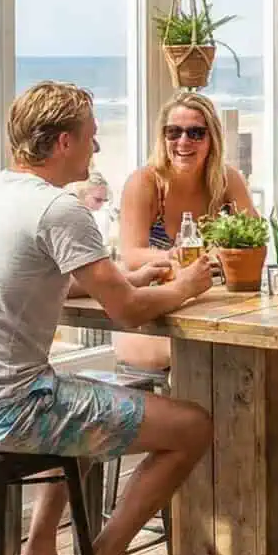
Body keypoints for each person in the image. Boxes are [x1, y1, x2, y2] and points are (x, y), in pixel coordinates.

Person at [0, 81, 214, 555]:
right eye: (90, 137)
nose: (95, 148)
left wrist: (127, 273)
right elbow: (125, 311)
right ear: (62, 142)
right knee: (193, 426)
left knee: (89, 395)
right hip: (3, 412)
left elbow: (53, 276)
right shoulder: (58, 208)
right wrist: (186, 286)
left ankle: (38, 552)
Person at [114, 92, 258, 372]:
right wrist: (176, 256)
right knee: (207, 359)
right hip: (150, 314)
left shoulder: (227, 180)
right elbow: (131, 255)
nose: (183, 142)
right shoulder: (145, 182)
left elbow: (253, 239)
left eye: (195, 133)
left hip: (215, 307)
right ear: (163, 137)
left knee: (253, 356)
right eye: (173, 132)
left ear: (211, 139)